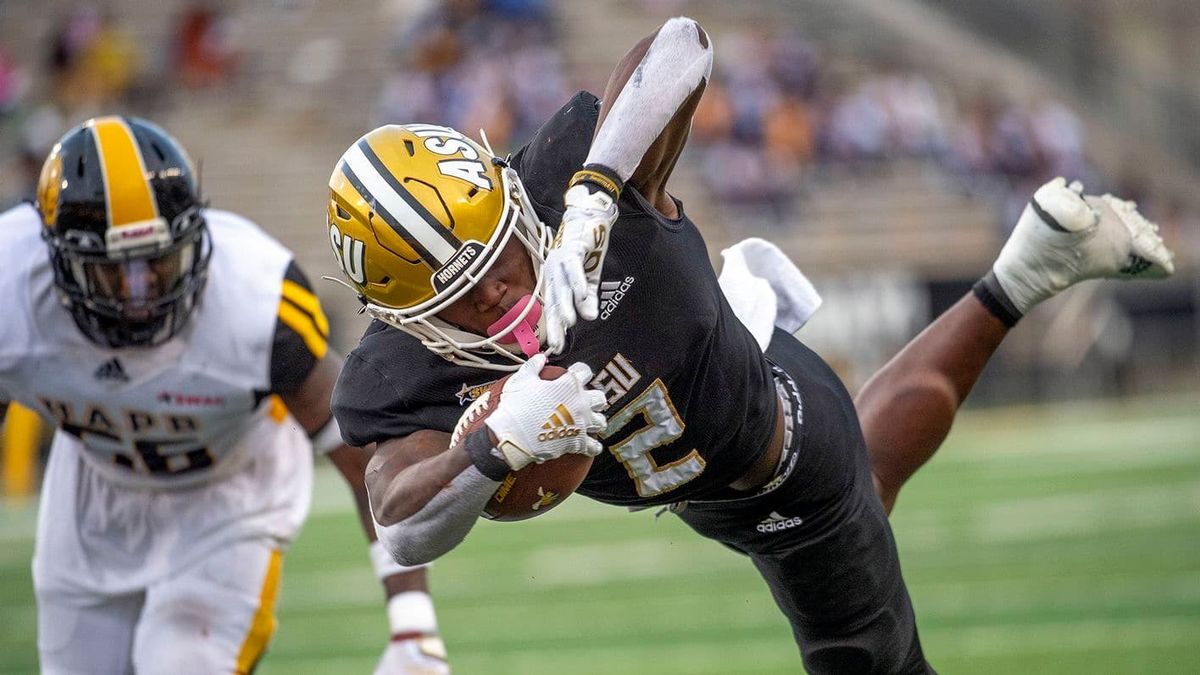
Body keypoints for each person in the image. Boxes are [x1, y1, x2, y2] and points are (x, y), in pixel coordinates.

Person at [326, 18, 1174, 674]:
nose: (500, 294)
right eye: (461, 298)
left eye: (504, 257)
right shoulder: (397, 375)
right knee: (871, 480)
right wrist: (484, 447)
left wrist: (596, 188)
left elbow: (682, 45)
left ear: (516, 198)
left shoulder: (568, 179)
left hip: (781, 453)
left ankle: (1022, 275)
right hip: (706, 460)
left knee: (864, 593)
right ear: (407, 318)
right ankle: (1024, 268)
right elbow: (402, 524)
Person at [0, 116, 449, 674]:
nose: (141, 296)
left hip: (228, 496)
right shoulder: (9, 284)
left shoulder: (255, 297)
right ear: (56, 259)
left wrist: (412, 622)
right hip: (93, 496)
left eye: (159, 264)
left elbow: (358, 451)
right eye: (115, 274)